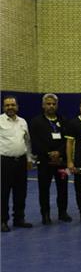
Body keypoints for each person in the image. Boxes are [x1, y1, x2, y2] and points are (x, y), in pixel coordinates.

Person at [30, 94, 70, 225]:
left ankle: (62, 212)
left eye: (53, 104)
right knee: (44, 189)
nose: (51, 106)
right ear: (43, 105)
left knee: (63, 188)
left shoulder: (64, 120)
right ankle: (45, 215)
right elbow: (35, 141)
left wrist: (59, 152)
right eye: (48, 104)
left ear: (57, 105)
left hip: (61, 161)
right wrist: (48, 153)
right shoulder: (36, 122)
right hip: (44, 161)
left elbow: (67, 140)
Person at [0, 96, 34, 232]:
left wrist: (29, 159)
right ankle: (3, 221)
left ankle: (19, 219)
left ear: (17, 107)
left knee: (21, 192)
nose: (10, 107)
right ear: (3, 107)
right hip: (4, 162)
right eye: (7, 105)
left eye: (12, 105)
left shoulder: (23, 122)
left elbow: (27, 142)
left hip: (21, 161)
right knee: (3, 192)